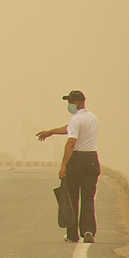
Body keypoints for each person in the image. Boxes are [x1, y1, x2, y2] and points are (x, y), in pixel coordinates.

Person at [36, 90, 100, 243]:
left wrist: (63, 165)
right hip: (92, 159)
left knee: (72, 197)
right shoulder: (92, 118)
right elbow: (69, 128)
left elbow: (71, 142)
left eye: (71, 101)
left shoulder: (76, 119)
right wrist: (51, 131)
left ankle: (72, 235)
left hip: (77, 159)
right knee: (88, 198)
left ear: (79, 102)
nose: (69, 104)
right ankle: (88, 231)